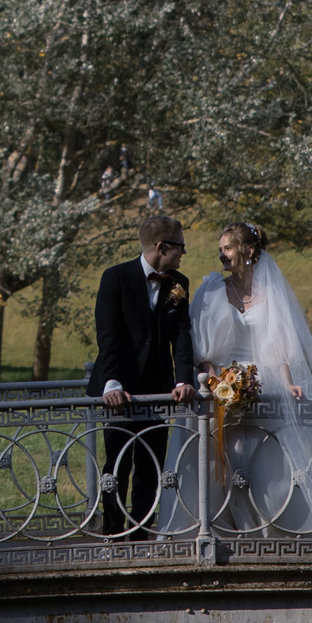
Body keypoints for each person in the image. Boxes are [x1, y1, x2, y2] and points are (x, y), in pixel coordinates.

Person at [179, 222, 312, 541]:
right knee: (226, 455)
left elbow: (279, 346)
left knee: (265, 457)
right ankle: (223, 527)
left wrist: (287, 383)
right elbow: (204, 350)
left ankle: (271, 527)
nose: (222, 255)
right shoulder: (212, 289)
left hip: (262, 383)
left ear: (248, 251)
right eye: (220, 249)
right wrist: (216, 384)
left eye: (228, 248)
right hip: (221, 384)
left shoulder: (271, 293)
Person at [86, 213, 196, 538]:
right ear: (161, 246)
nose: (184, 252)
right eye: (180, 246)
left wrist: (184, 380)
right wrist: (112, 384)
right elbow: (107, 335)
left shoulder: (179, 283)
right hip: (119, 389)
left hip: (158, 388)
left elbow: (183, 335)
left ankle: (140, 534)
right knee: (116, 465)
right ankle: (113, 534)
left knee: (151, 465)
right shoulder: (115, 278)